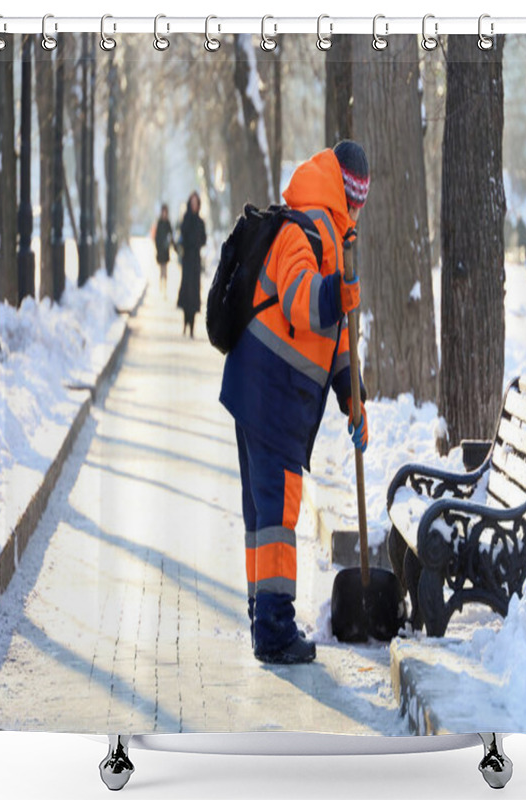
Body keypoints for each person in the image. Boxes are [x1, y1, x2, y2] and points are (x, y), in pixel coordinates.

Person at [219, 141, 370, 665]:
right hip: (270, 393)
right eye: (357, 197)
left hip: (267, 393)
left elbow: (337, 340)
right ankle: (276, 629)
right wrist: (338, 291)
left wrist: (353, 399)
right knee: (277, 512)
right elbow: (304, 303)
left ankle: (264, 613)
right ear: (345, 191)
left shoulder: (333, 235)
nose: (359, 207)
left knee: (263, 514)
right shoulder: (301, 229)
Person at [177, 191, 207, 337]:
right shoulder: (186, 219)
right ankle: (185, 323)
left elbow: (204, 239)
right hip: (187, 260)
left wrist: (198, 242)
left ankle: (192, 328)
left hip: (196, 261)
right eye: (192, 203)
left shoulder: (201, 222)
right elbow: (182, 236)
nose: (194, 206)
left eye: (196, 203)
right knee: (186, 292)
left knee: (194, 293)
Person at [154, 204, 173, 297]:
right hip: (160, 249)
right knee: (161, 268)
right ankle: (160, 284)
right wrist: (157, 247)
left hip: (165, 249)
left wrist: (171, 244)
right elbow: (156, 236)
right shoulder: (159, 222)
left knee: (165, 268)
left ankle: (164, 286)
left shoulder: (168, 223)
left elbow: (171, 235)